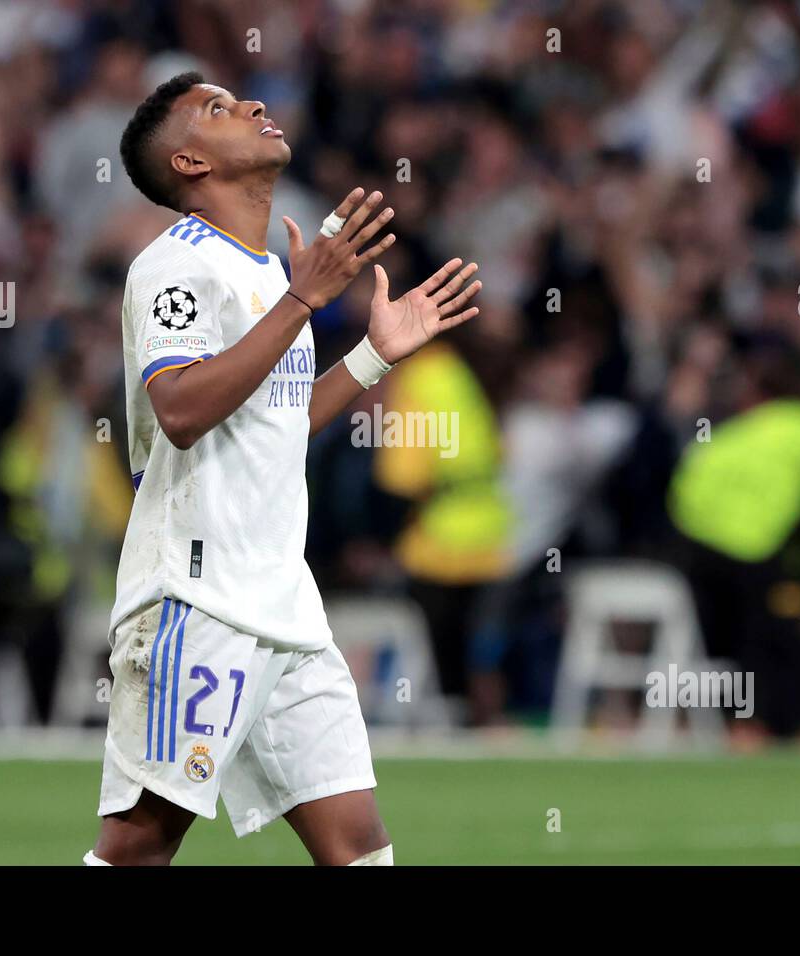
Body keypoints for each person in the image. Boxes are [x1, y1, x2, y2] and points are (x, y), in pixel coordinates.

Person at [86, 72, 481, 866]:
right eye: (219, 109)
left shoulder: (270, 274)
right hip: (197, 599)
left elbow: (276, 427)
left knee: (358, 848)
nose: (255, 107)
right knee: (137, 849)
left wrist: (371, 355)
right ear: (191, 163)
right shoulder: (173, 266)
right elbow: (183, 411)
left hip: (284, 603)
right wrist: (303, 303)